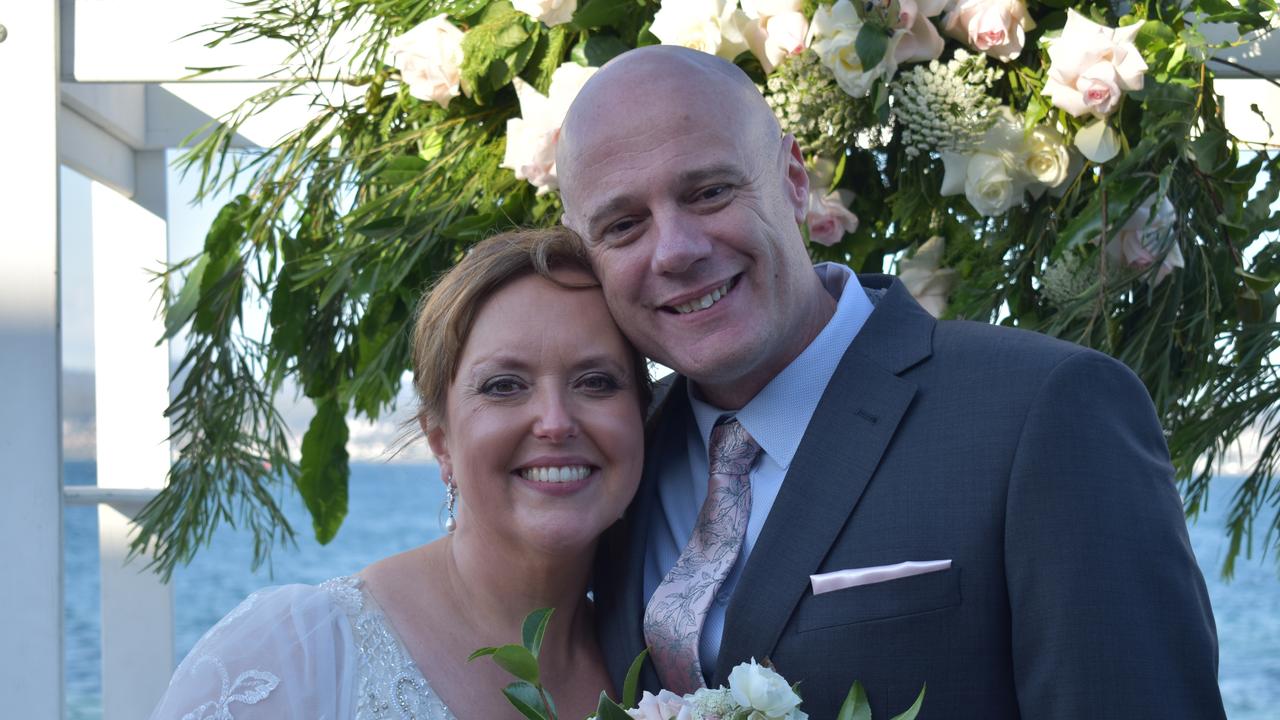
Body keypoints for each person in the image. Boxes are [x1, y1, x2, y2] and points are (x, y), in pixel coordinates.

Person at [556, 46, 1227, 718]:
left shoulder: (1043, 410)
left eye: (708, 192)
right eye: (623, 225)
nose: (675, 249)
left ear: (793, 179)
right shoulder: (614, 467)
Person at [148, 228, 650, 719]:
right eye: (503, 386)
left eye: (596, 381)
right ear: (441, 441)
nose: (556, 422)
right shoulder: (299, 658)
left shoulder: (666, 671)